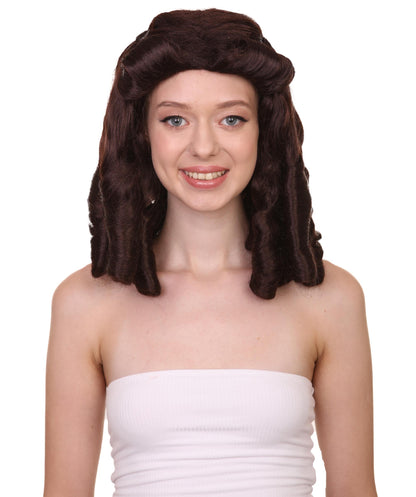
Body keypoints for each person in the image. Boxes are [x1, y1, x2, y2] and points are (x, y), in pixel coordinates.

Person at [44, 8, 377, 497]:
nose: (204, 147)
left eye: (231, 119)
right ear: (143, 132)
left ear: (264, 131)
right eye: (175, 119)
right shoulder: (85, 304)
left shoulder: (330, 299)